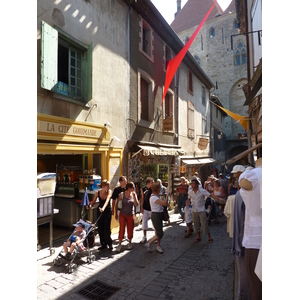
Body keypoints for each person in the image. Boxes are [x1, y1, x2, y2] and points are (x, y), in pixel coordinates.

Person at [230, 164, 251, 300]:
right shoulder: (240, 194)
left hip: (245, 240)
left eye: (237, 176)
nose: (235, 179)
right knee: (244, 274)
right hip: (244, 240)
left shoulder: (241, 194)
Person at [187, 176, 214, 243]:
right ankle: (199, 237)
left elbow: (210, 195)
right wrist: (188, 204)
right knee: (196, 224)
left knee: (204, 224)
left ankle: (209, 237)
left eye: (193, 183)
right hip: (194, 210)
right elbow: (188, 199)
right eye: (191, 183)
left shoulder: (202, 191)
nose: (192, 185)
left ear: (196, 185)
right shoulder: (190, 192)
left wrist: (218, 198)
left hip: (201, 209)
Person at [144, 182, 169, 253]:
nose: (160, 189)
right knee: (160, 233)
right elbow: (164, 203)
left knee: (158, 231)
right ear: (157, 189)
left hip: (158, 214)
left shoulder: (156, 196)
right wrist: (167, 195)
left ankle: (158, 246)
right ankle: (148, 244)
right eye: (159, 188)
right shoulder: (154, 198)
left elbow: (165, 204)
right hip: (156, 215)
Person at [115, 182, 139, 252]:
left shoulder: (134, 195)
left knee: (130, 229)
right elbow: (117, 204)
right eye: (133, 188)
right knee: (121, 229)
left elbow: (136, 204)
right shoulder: (122, 194)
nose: (134, 189)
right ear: (129, 188)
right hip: (122, 214)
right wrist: (116, 213)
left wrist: (134, 196)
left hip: (131, 214)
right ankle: (119, 244)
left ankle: (130, 242)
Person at [89, 180, 113, 251]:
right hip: (100, 211)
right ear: (103, 186)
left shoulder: (109, 192)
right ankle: (103, 244)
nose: (108, 187)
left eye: (109, 186)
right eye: (107, 186)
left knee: (106, 229)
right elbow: (93, 202)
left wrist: (103, 208)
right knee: (100, 228)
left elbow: (107, 201)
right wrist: (90, 206)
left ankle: (110, 244)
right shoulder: (97, 192)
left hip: (107, 211)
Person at [140, 177, 154, 244]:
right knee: (144, 222)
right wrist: (141, 207)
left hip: (152, 208)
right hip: (145, 208)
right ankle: (144, 236)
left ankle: (155, 237)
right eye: (152, 182)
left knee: (154, 223)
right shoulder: (143, 188)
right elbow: (142, 198)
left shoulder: (154, 189)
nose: (153, 183)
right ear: (148, 183)